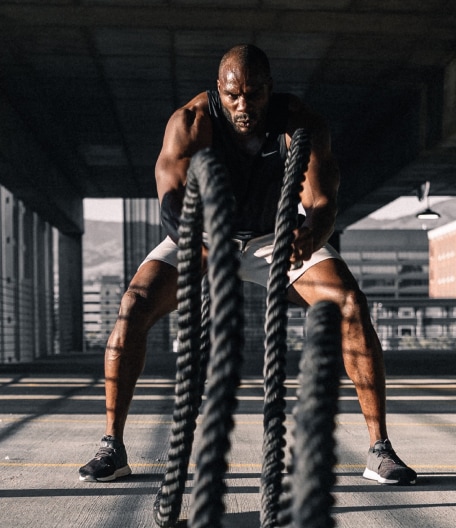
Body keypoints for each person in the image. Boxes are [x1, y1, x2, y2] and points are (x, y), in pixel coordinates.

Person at [79, 44, 416, 486]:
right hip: (200, 236)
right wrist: (199, 242)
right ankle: (112, 447)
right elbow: (171, 201)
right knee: (134, 304)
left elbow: (323, 199)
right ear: (219, 89)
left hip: (272, 236)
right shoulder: (191, 122)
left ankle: (380, 450)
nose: (245, 106)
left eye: (254, 94)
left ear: (269, 90)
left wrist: (311, 234)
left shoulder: (300, 124)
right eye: (234, 95)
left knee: (351, 302)